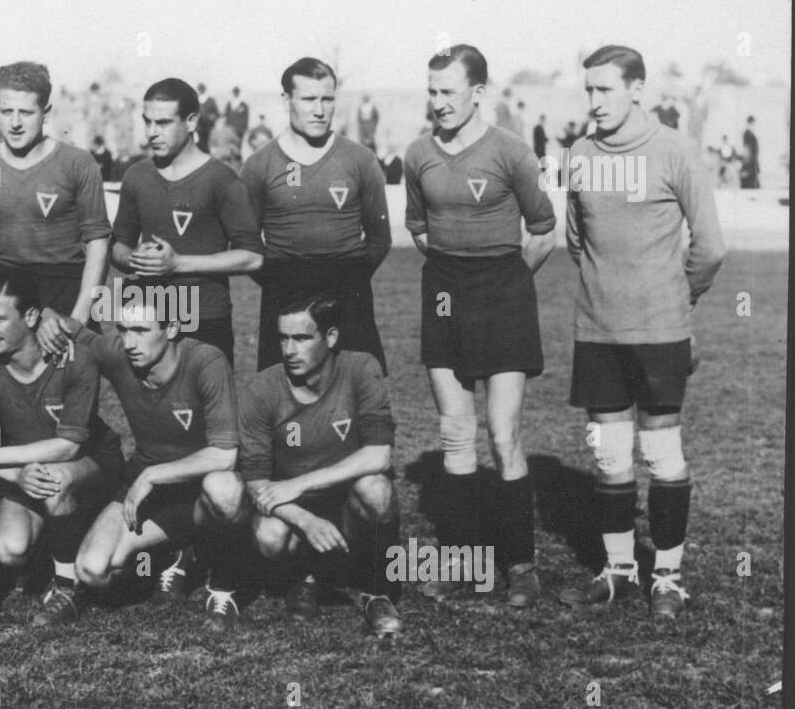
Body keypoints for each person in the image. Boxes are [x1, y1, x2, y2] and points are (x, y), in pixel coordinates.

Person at [561, 45, 726, 619]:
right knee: (609, 456)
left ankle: (670, 578)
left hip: (661, 330)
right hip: (598, 329)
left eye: (605, 89)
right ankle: (620, 571)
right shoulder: (578, 154)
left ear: (637, 89)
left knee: (660, 450)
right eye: (589, 90)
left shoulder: (674, 151)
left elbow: (710, 248)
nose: (594, 101)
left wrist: (678, 304)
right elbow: (576, 239)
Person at [404, 44, 556, 608]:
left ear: (477, 93)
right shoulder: (417, 154)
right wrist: (453, 273)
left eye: (448, 91)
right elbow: (418, 229)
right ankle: (465, 563)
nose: (438, 102)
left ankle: (520, 566)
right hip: (443, 291)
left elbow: (544, 229)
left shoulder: (512, 152)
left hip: (503, 293)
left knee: (502, 433)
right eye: (432, 90)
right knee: (455, 431)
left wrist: (508, 281)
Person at [0, 272, 125, 627]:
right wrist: (15, 474)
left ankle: (68, 587)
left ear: (32, 318)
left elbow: (69, 447)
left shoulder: (75, 359)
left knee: (55, 479)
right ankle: (57, 544)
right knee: (10, 549)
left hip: (93, 462)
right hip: (28, 468)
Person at [71, 280, 248, 631]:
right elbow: (74, 331)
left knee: (225, 489)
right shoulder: (118, 351)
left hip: (199, 490)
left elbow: (225, 455)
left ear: (171, 328)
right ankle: (172, 552)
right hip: (155, 494)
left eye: (141, 330)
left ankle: (223, 588)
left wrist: (151, 476)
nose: (129, 342)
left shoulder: (206, 360)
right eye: (123, 329)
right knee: (92, 570)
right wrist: (48, 317)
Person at [242, 293, 402, 635]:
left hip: (347, 503)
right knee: (268, 535)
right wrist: (306, 518)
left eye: (301, 338)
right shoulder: (261, 388)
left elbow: (380, 455)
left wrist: (299, 483)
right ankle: (304, 578)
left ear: (330, 338)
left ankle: (376, 590)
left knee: (377, 488)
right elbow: (255, 482)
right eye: (283, 338)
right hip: (297, 509)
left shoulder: (362, 368)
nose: (289, 350)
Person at [0, 62, 112, 362]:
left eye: (26, 112)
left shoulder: (77, 163)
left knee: (65, 399)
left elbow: (98, 242)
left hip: (64, 290)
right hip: (3, 295)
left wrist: (78, 318)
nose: (14, 123)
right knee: (4, 402)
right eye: (5, 111)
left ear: (46, 113)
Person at [241, 57, 391, 373]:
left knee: (356, 400)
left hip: (348, 292)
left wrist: (351, 278)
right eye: (309, 99)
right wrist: (281, 279)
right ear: (286, 100)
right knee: (285, 403)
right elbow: (245, 242)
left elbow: (380, 238)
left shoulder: (361, 160)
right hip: (284, 294)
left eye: (327, 99)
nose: (319, 109)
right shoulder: (259, 165)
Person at [109, 78, 262, 363]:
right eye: (148, 122)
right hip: (150, 318)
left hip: (205, 315)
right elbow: (118, 247)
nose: (152, 133)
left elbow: (253, 257)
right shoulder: (137, 176)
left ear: (191, 122)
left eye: (164, 123)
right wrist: (135, 259)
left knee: (207, 404)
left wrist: (179, 263)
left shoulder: (221, 179)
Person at [196, 83, 220, 153]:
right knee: (199, 143)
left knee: (207, 143)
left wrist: (212, 117)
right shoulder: (196, 100)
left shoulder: (210, 100)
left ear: (204, 90)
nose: (200, 91)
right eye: (199, 89)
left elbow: (217, 113)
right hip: (198, 126)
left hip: (208, 126)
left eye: (202, 89)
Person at [740, 116, 760, 189]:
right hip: (750, 162)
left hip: (752, 162)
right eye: (752, 123)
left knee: (753, 185)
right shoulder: (747, 134)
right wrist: (747, 165)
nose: (753, 125)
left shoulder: (750, 134)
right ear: (749, 123)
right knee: (749, 185)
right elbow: (747, 149)